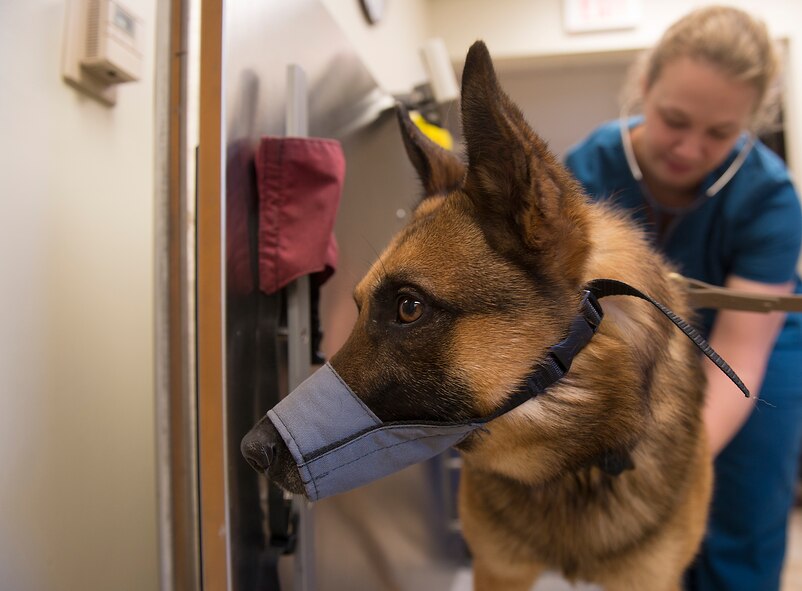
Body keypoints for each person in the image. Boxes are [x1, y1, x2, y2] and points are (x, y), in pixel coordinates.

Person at [564, 6, 802, 591]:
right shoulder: (585, 170)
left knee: (740, 506)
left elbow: (740, 355)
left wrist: (675, 462)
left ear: (750, 123)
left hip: (746, 351)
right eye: (674, 120)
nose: (690, 149)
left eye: (720, 133)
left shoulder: (770, 200)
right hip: (626, 341)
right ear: (644, 85)